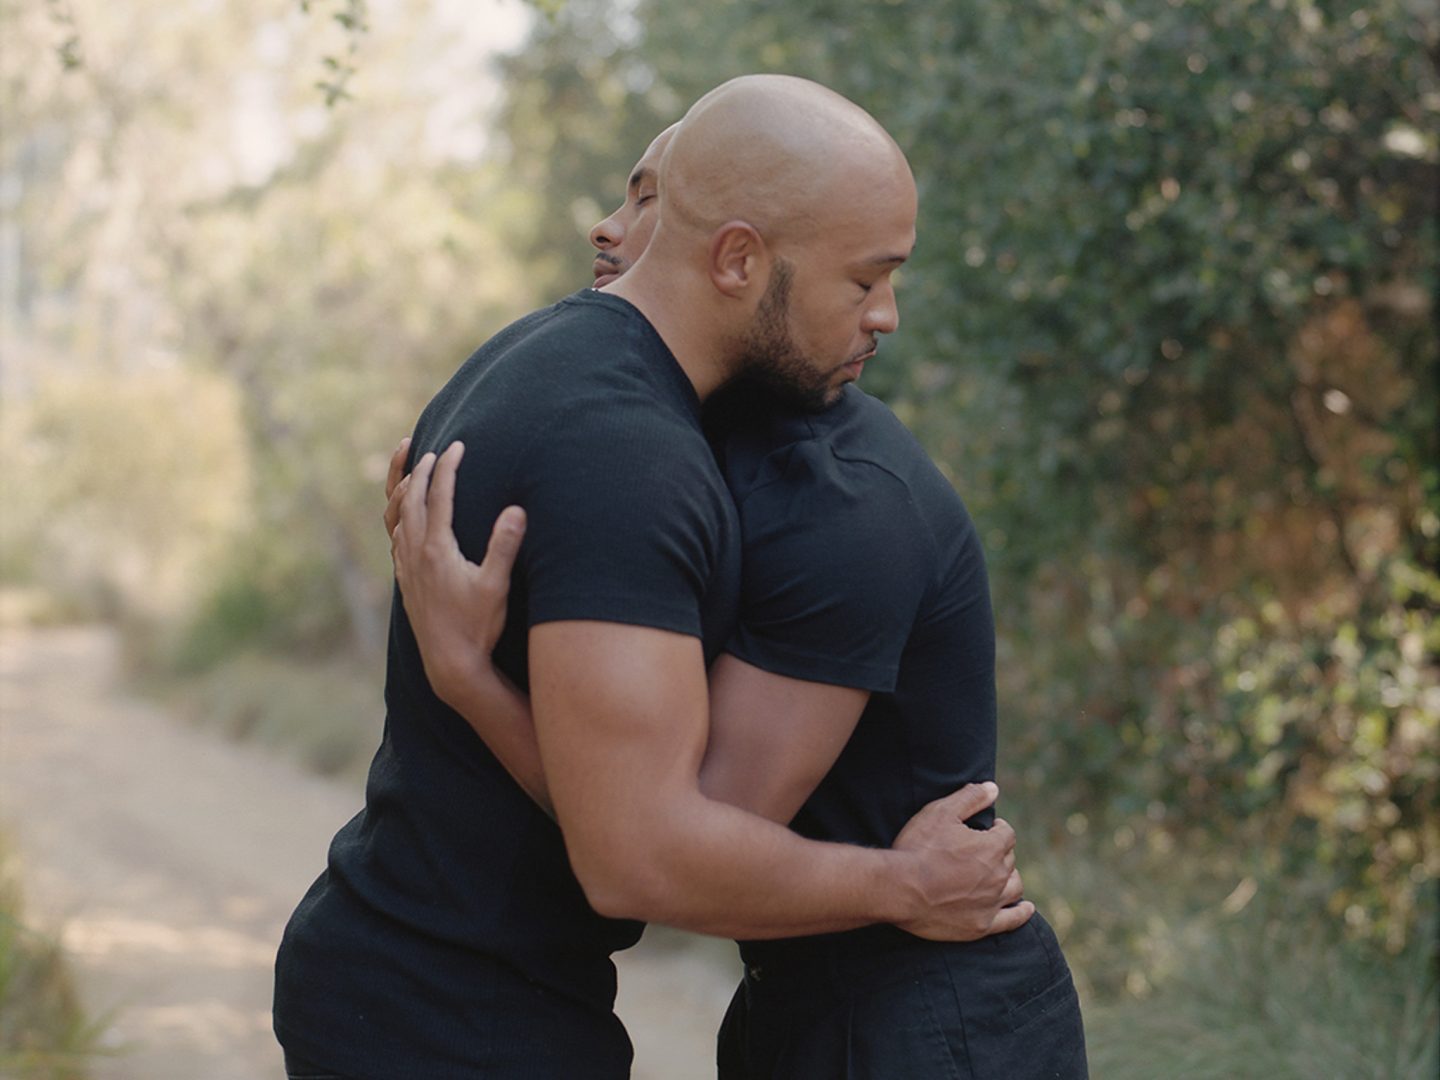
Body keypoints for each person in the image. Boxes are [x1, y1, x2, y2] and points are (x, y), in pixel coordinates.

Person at [273, 75, 1033, 1080]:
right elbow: (638, 854)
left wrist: (471, 677)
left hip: (439, 977)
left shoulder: (538, 356)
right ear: (738, 257)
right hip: (453, 1010)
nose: (884, 315)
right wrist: (906, 884)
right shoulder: (626, 449)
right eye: (863, 279)